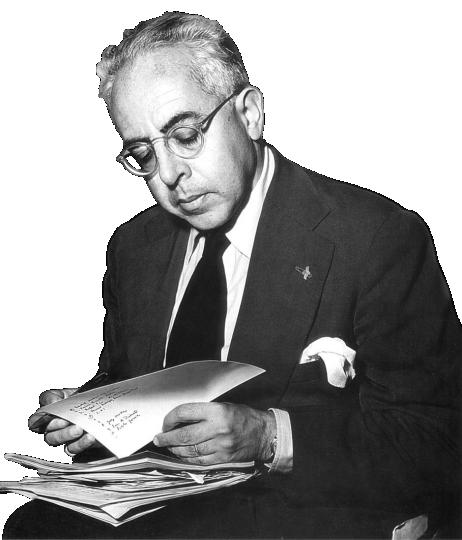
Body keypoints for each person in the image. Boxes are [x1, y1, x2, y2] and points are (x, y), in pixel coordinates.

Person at [3, 11, 461, 539]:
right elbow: (129, 378)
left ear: (249, 113)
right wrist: (90, 412)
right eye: (143, 153)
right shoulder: (134, 247)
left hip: (306, 511)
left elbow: (440, 440)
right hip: (166, 505)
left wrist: (270, 436)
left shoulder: (375, 238)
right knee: (32, 528)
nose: (169, 174)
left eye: (185, 135)